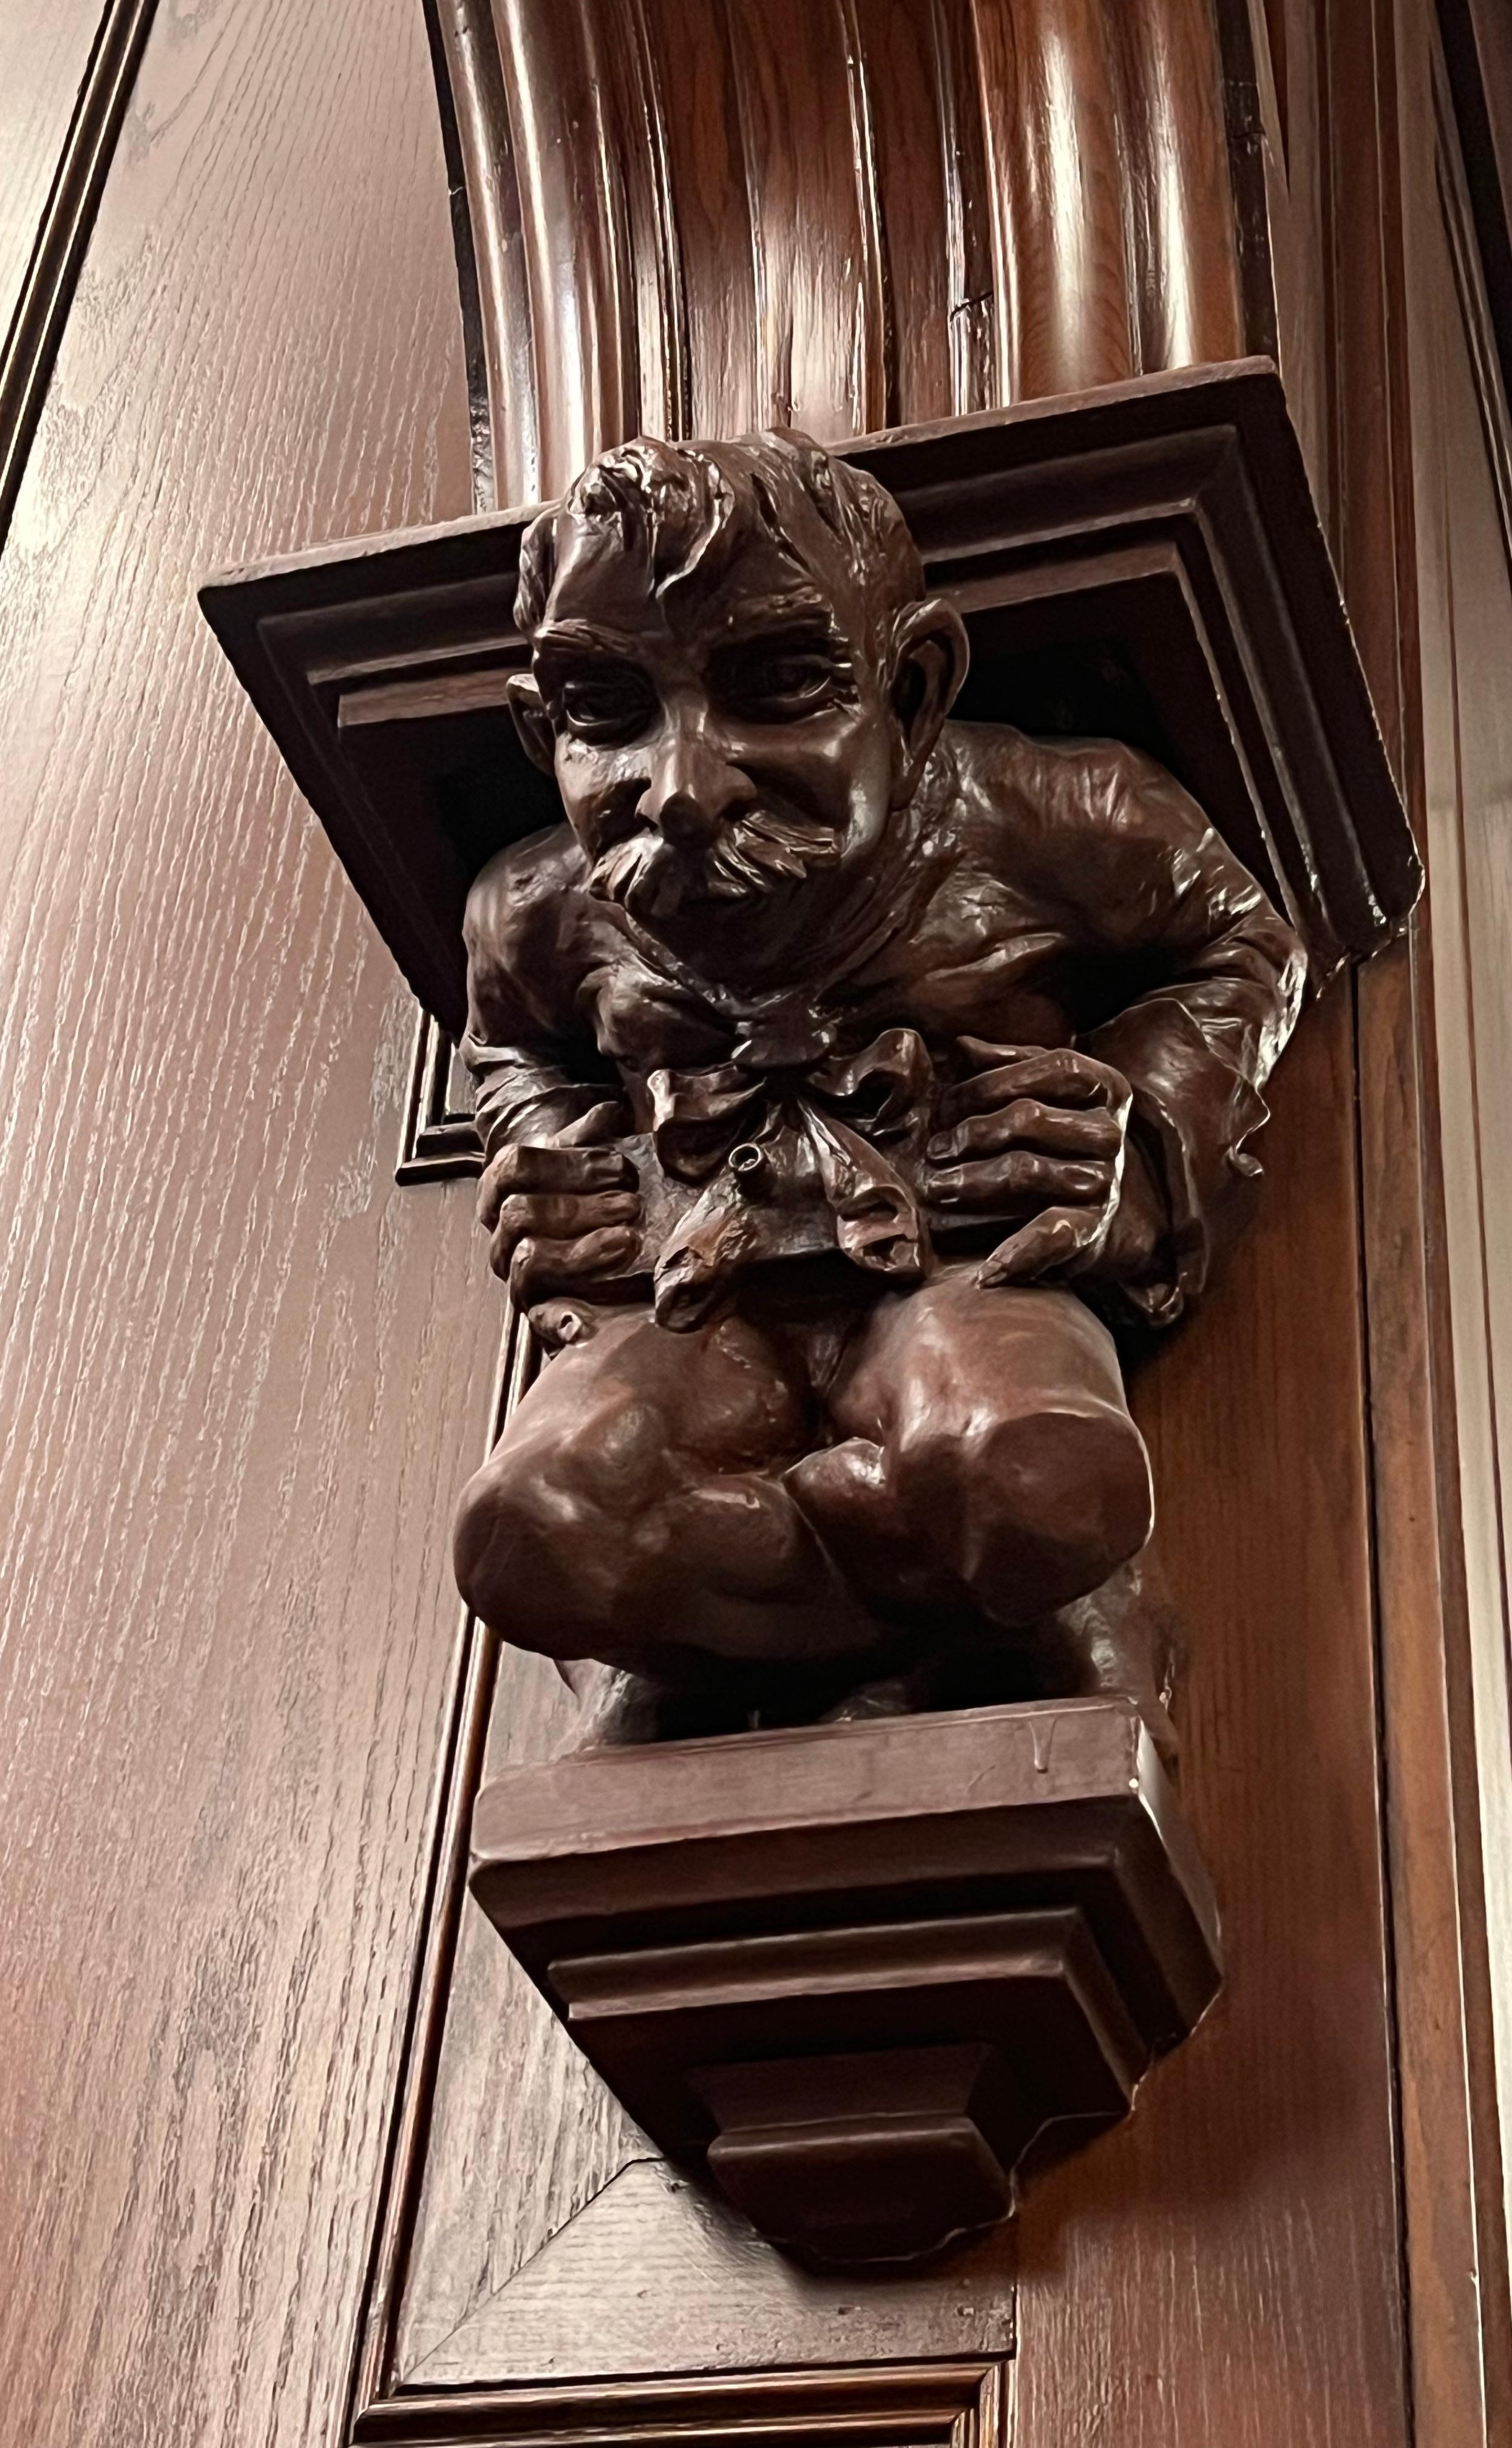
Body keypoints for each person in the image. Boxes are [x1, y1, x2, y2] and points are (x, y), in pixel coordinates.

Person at [450, 429, 1306, 1733]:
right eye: (607, 712)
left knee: (1026, 1466)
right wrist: (565, 1176)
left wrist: (1143, 1149)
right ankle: (955, 1614)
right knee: (532, 1522)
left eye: (779, 686)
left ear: (910, 689)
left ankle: (731, 1621)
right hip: (698, 1294)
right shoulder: (533, 910)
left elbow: (1244, 941)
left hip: (959, 1263)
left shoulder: (1055, 817)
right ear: (540, 729)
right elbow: (510, 1043)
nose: (682, 790)